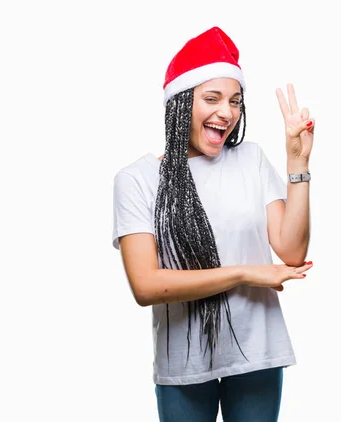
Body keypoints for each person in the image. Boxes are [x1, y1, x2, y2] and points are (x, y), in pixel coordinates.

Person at [111, 26, 314, 421]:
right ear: (180, 103)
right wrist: (244, 273)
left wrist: (298, 164)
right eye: (212, 98)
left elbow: (290, 250)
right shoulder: (136, 180)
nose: (227, 112)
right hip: (183, 366)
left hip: (257, 353)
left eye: (235, 101)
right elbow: (146, 285)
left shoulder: (251, 160)